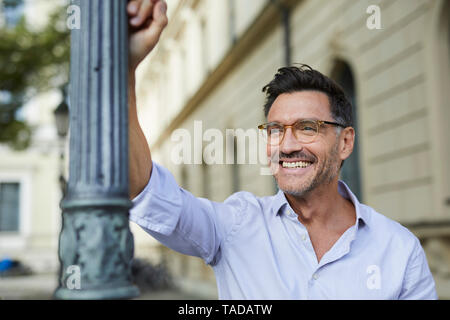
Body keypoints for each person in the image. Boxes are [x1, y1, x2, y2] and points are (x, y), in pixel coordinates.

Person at [127, 0, 438, 299]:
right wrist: (126, 70)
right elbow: (147, 191)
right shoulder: (235, 226)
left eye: (307, 127)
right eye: (276, 130)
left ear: (345, 142)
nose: (287, 146)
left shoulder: (399, 251)